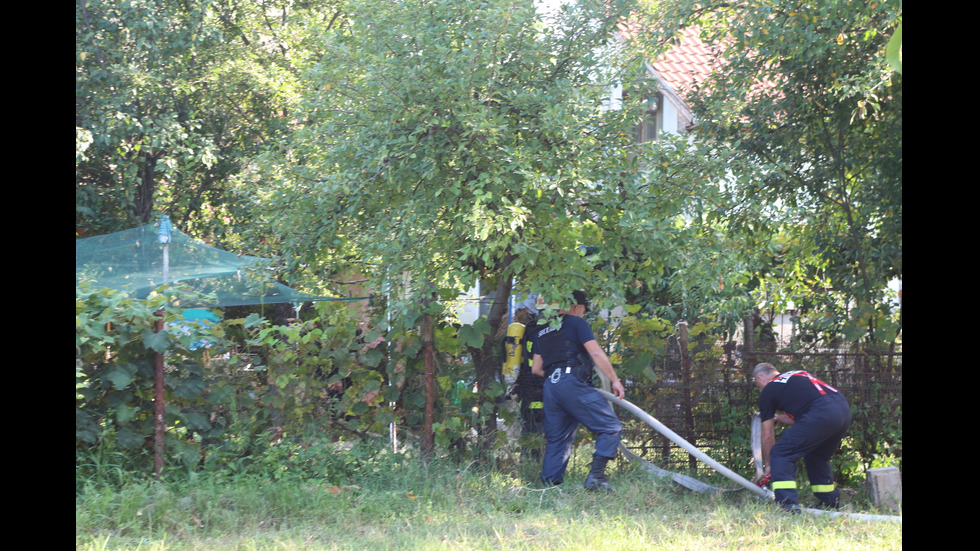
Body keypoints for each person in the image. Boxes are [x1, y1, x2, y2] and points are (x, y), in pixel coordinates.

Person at [531, 291, 626, 491]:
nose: (584, 314)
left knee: (558, 439)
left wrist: (558, 377)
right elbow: (595, 352)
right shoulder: (576, 323)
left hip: (551, 385)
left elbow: (536, 369)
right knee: (610, 427)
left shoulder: (542, 331)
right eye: (583, 310)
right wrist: (615, 380)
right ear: (576, 307)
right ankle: (597, 478)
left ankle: (549, 487)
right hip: (570, 382)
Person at [752, 362, 852, 511]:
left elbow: (767, 435)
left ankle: (788, 506)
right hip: (842, 411)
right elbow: (808, 414)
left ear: (759, 378)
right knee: (816, 457)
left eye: (757, 383)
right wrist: (779, 418)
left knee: (780, 453)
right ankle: (831, 502)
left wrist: (769, 464)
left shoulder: (769, 389)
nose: (759, 387)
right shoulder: (797, 375)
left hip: (821, 413)